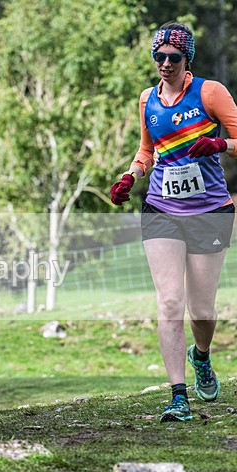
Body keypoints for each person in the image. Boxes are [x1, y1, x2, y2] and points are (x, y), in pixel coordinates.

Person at [110, 22, 237, 422]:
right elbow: (147, 150)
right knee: (169, 301)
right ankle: (178, 396)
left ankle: (201, 356)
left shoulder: (210, 92)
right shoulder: (148, 98)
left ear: (188, 61)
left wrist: (220, 143)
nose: (165, 64)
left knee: (201, 308)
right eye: (158, 56)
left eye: (173, 58)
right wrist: (131, 175)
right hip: (162, 207)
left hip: (209, 211)